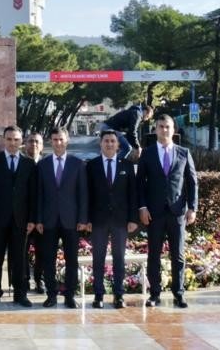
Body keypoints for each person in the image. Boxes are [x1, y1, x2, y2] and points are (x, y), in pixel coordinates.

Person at [137, 114, 198, 309]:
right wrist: (143, 207)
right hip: (154, 213)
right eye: (161, 126)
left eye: (168, 127)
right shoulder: (147, 153)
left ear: (174, 130)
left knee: (178, 255)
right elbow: (140, 185)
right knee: (153, 254)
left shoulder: (183, 152)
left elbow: (192, 181)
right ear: (155, 129)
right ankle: (154, 294)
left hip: (177, 212)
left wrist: (192, 208)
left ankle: (179, 294)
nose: (164, 130)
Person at [35, 127, 88, 309]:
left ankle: (69, 295)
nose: (58, 143)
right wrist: (39, 219)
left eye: (61, 139)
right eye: (55, 139)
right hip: (49, 220)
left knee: (71, 259)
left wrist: (82, 218)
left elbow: (83, 194)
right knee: (48, 259)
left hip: (71, 220)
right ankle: (51, 295)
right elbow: (39, 195)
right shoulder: (43, 165)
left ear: (67, 141)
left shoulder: (78, 164)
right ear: (51, 141)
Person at [0, 125, 36, 307]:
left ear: (21, 142)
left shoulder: (29, 164)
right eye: (9, 139)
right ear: (3, 140)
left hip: (21, 220)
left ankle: (20, 294)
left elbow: (32, 195)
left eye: (16, 139)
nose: (12, 143)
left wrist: (31, 219)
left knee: (19, 259)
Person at [86, 130, 139, 309]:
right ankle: (98, 295)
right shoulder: (91, 166)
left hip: (120, 221)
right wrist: (86, 219)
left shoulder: (127, 165)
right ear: (100, 144)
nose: (109, 144)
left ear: (118, 145)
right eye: (106, 141)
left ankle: (118, 295)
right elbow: (87, 196)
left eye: (112, 141)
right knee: (98, 259)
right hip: (98, 220)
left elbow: (133, 195)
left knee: (119, 258)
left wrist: (133, 219)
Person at [23, 131, 45, 295]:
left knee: (42, 252)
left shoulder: (47, 164)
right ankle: (24, 282)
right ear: (25, 144)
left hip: (43, 218)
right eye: (31, 141)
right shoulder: (20, 163)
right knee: (21, 252)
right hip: (23, 218)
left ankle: (40, 281)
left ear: (42, 146)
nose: (34, 145)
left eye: (37, 142)